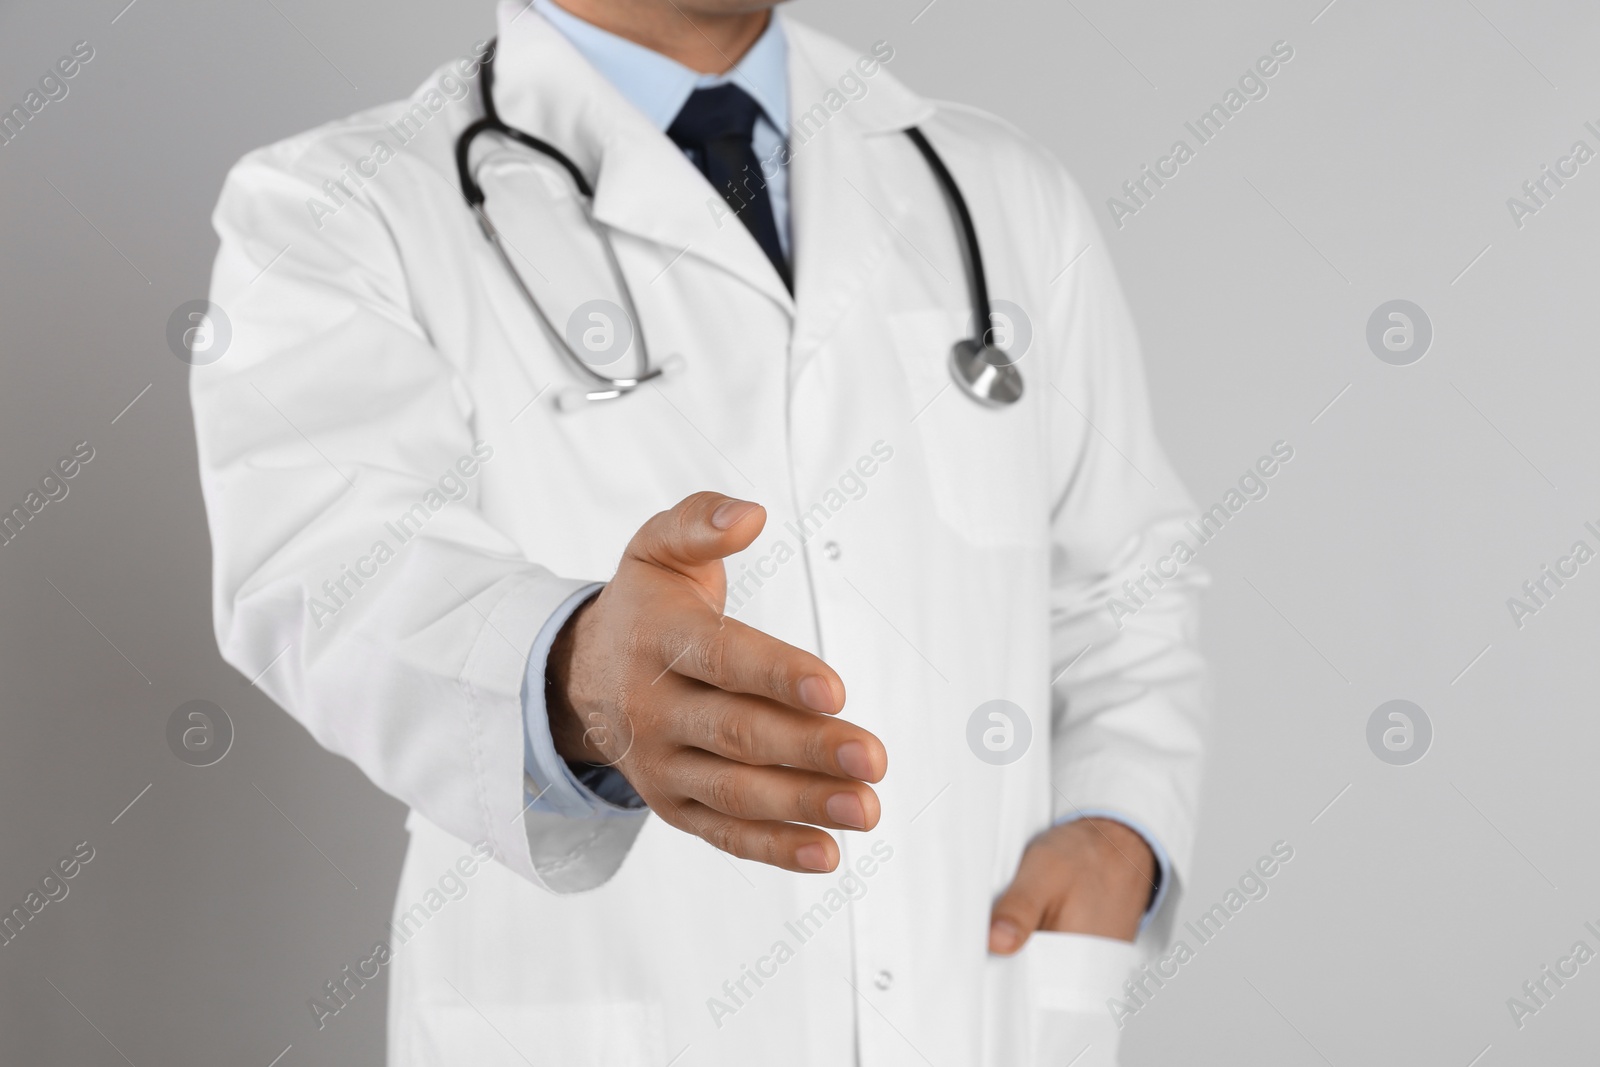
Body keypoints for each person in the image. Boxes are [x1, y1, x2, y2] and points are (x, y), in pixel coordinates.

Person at [189, 0, 1207, 1063]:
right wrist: (573, 674)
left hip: (974, 1009)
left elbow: (1127, 578)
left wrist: (1120, 826)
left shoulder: (995, 191)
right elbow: (329, 572)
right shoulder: (333, 208)